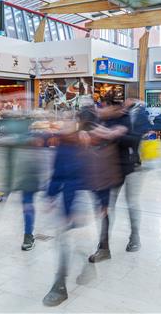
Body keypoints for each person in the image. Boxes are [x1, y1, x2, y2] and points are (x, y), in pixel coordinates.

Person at [87, 93, 141, 263]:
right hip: (108, 169)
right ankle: (103, 248)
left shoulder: (130, 118)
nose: (100, 109)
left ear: (114, 107)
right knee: (106, 207)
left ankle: (135, 237)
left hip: (128, 168)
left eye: (103, 106)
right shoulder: (101, 119)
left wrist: (116, 135)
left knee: (131, 204)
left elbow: (135, 140)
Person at [42, 119, 88, 306]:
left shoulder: (83, 148)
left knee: (67, 240)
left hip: (78, 200)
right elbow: (56, 173)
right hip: (66, 201)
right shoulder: (62, 146)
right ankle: (82, 266)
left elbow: (88, 176)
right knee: (64, 239)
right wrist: (50, 195)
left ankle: (60, 285)